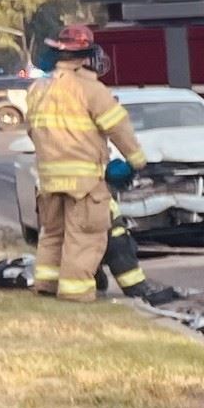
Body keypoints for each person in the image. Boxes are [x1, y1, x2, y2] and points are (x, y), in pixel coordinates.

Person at [25, 24, 147, 302]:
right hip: (84, 182)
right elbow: (119, 129)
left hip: (48, 179)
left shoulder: (38, 89)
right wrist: (137, 161)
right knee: (84, 237)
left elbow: (32, 131)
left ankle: (46, 284)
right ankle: (75, 294)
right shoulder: (91, 90)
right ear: (85, 56)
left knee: (53, 234)